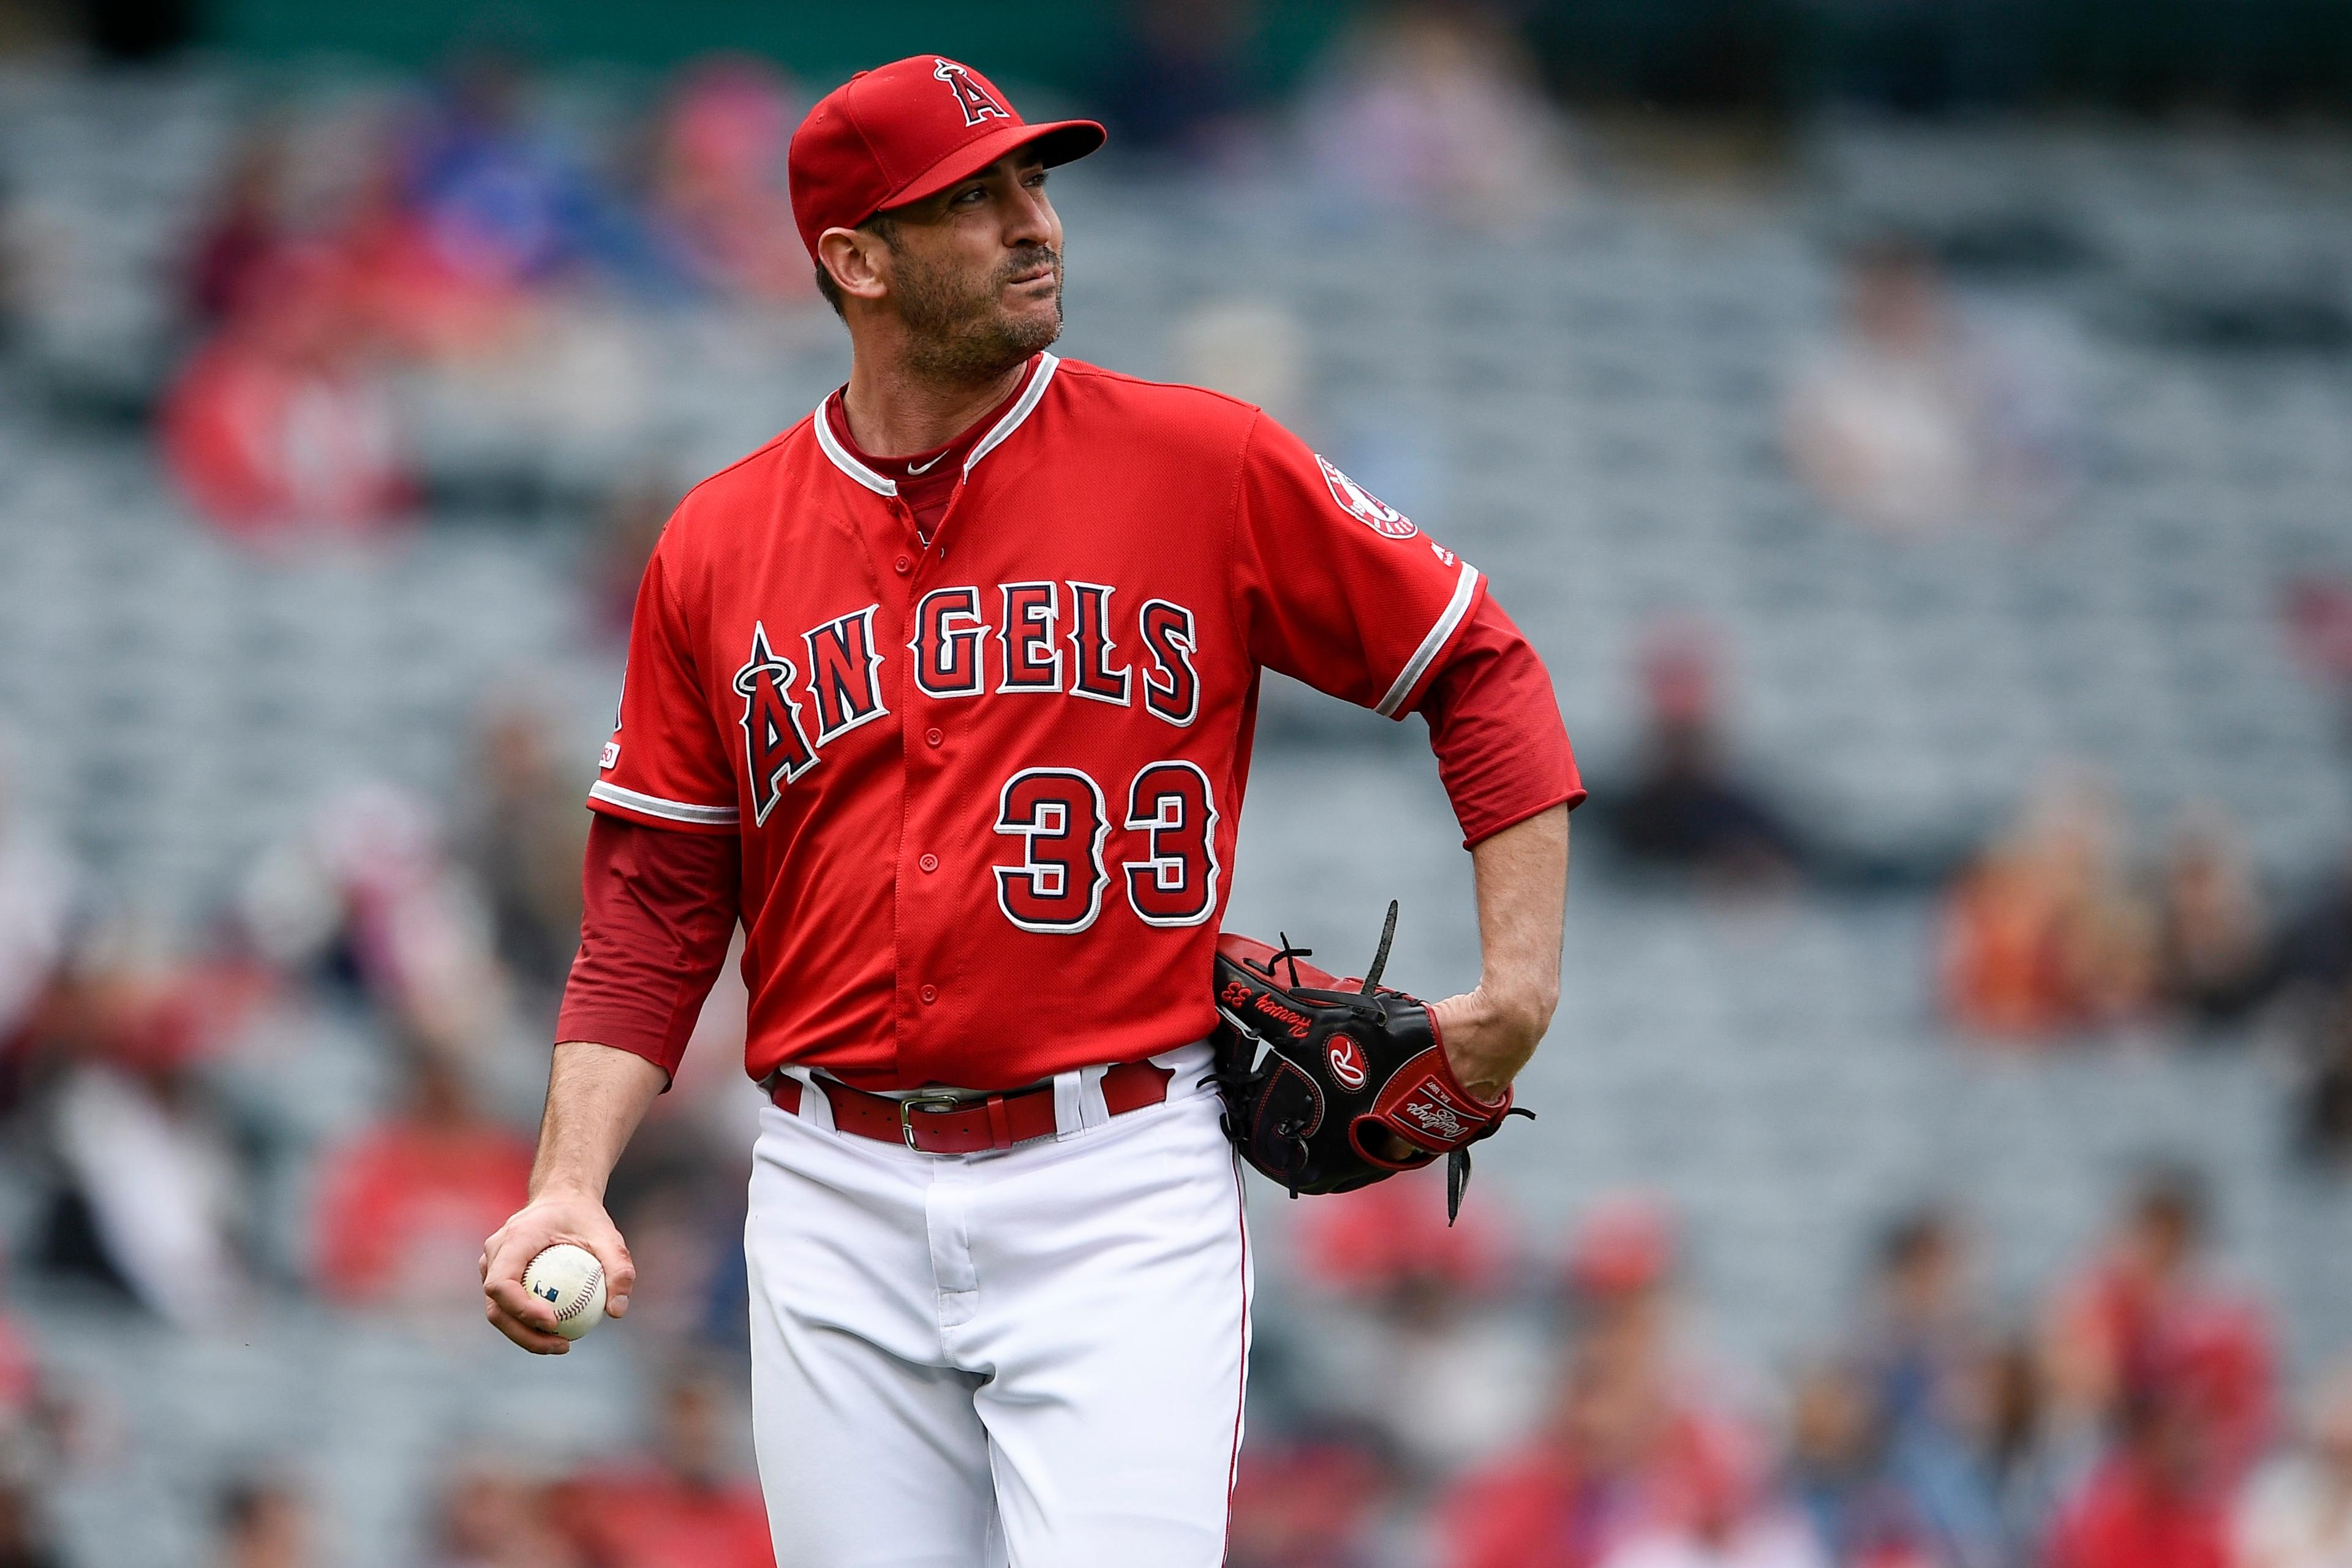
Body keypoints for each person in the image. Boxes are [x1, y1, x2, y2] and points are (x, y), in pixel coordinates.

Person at [479, 55, 1581, 1566]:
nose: (1033, 222)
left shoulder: (1204, 464)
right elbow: (659, 907)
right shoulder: (717, 544)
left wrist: (1517, 983)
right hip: (831, 1191)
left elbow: (1479, 661)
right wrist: (568, 1182)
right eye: (972, 197)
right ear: (854, 260)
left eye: (1036, 181)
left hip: (1116, 1182)